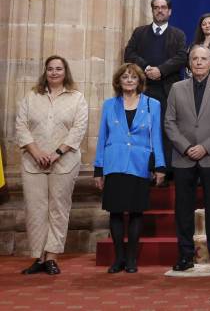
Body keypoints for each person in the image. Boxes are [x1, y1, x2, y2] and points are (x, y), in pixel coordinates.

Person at [15, 55, 88, 275]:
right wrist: (36, 151)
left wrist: (57, 152)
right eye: (50, 69)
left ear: (65, 72)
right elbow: (21, 126)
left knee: (58, 209)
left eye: (58, 69)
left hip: (64, 162)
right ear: (45, 72)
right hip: (33, 162)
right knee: (35, 209)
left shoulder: (77, 98)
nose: (54, 72)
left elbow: (79, 128)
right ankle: (38, 257)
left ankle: (52, 257)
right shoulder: (31, 96)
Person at [165, 45, 210, 272]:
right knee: (183, 210)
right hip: (183, 158)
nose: (198, 62)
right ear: (189, 63)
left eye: (203, 59)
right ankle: (185, 256)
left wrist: (205, 147)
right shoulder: (176, 88)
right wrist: (186, 148)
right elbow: (170, 123)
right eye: (194, 59)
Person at [93, 63, 166, 273]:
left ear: (140, 81)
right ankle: (119, 258)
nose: (129, 80)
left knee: (136, 213)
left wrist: (160, 166)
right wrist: (99, 169)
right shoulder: (109, 105)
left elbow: (157, 139)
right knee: (115, 213)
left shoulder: (153, 104)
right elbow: (102, 138)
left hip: (139, 164)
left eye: (133, 77)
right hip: (114, 164)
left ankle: (132, 258)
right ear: (119, 81)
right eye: (125, 77)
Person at [124, 0, 187, 174]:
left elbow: (182, 57)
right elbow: (129, 53)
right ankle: (142, 169)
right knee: (141, 130)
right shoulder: (139, 32)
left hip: (168, 91)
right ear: (152, 10)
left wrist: (161, 70)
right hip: (142, 90)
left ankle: (163, 170)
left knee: (166, 130)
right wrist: (147, 68)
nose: (160, 10)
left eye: (163, 7)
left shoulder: (178, 34)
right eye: (156, 7)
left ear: (169, 11)